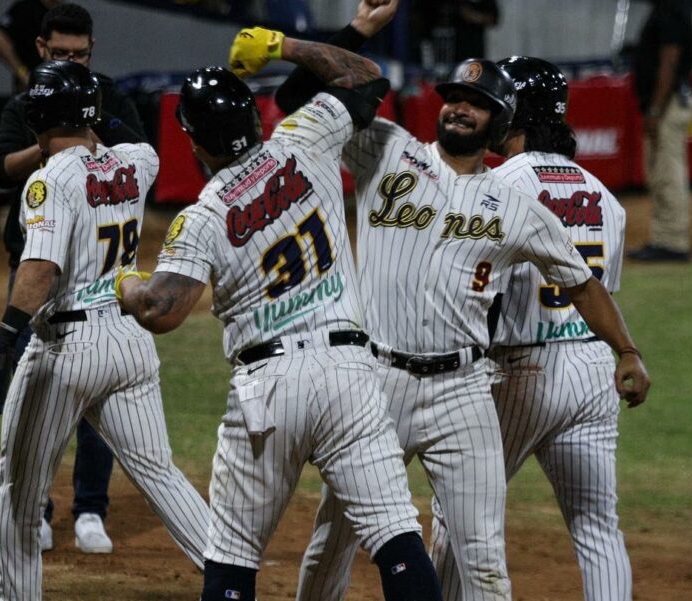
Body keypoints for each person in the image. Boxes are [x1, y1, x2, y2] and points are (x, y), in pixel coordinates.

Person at [272, 4, 651, 600]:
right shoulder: (387, 149)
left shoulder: (516, 204)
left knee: (482, 558)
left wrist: (625, 349)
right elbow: (303, 101)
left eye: (476, 103)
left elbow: (581, 282)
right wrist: (325, 39)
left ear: (500, 124)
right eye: (454, 95)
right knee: (337, 532)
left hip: (465, 393)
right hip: (377, 383)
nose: (459, 106)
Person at [117, 29, 445, 601]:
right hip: (349, 373)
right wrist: (283, 47)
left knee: (233, 555)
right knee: (396, 537)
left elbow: (158, 311)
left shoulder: (204, 213)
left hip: (269, 390)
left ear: (193, 142)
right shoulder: (304, 135)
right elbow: (367, 76)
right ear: (253, 115)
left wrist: (125, 282)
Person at [0, 60, 210, 601]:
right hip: (129, 343)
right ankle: (230, 581)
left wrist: (3, 339)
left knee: (18, 492)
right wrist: (94, 113)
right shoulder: (136, 161)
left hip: (66, 348)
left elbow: (40, 270)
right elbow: (126, 138)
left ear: (37, 114)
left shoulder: (48, 180)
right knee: (161, 474)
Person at [431, 56, 636, 601]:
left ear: (511, 111)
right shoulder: (604, 196)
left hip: (521, 369)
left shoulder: (495, 184)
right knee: (597, 528)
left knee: (459, 505)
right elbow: (598, 293)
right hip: (594, 368)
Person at [0, 1, 146, 554]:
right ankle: (35, 508)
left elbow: (136, 156)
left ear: (92, 50)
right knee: (32, 396)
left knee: (93, 400)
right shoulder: (29, 102)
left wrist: (81, 129)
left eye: (80, 54)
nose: (71, 60)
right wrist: (58, 138)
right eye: (61, 53)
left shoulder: (111, 97)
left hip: (96, 276)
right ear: (41, 48)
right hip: (32, 265)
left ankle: (91, 509)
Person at [626, 0, 692, 263]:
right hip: (665, 104)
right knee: (660, 173)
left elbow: (670, 61)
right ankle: (663, 239)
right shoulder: (667, 8)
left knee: (668, 173)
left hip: (668, 105)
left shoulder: (671, 9)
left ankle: (674, 243)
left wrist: (655, 110)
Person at [0, 0, 62, 92]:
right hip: (32, 89)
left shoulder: (62, 12)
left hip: (59, 86)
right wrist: (23, 73)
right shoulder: (25, 8)